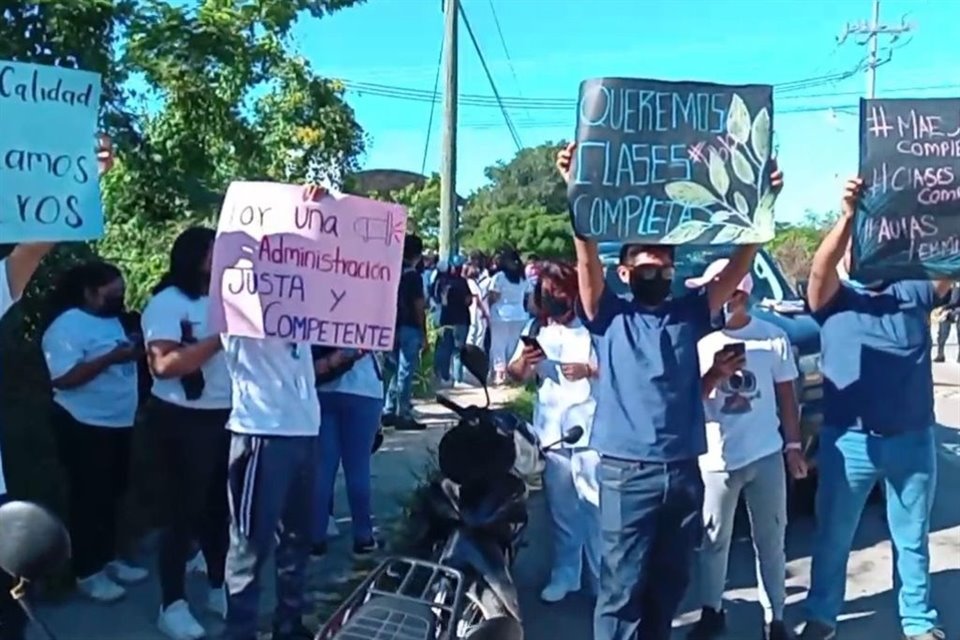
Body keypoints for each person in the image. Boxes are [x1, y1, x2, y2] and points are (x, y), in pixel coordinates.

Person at [555, 142, 784, 640]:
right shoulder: (608, 316)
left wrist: (762, 208)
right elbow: (586, 261)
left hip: (683, 473)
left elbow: (736, 270)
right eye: (646, 268)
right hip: (626, 474)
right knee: (621, 592)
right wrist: (576, 191)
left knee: (668, 585)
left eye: (663, 268)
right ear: (624, 273)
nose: (656, 274)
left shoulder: (689, 314)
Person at [799, 178, 951, 640]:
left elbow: (950, 265)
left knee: (912, 539)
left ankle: (918, 622)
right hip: (849, 444)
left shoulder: (914, 290)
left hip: (913, 440)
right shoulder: (833, 300)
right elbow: (819, 270)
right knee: (833, 538)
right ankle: (822, 618)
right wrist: (848, 216)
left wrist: (947, 210)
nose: (861, 256)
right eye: (854, 249)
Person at [684, 260, 807, 640]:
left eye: (725, 291)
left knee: (771, 539)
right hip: (717, 459)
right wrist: (715, 373)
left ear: (743, 294)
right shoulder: (699, 341)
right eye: (710, 290)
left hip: (765, 453)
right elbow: (689, 401)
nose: (718, 298)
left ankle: (775, 618)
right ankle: (712, 610)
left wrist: (793, 446)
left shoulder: (772, 338)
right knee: (714, 539)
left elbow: (787, 396)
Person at [141, 227, 231, 640]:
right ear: (193, 256)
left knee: (219, 509)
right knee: (182, 512)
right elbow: (163, 365)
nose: (221, 257)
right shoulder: (168, 303)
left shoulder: (227, 298)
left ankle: (217, 584)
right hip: (181, 419)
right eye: (213, 250)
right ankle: (172, 603)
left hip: (225, 414)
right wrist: (218, 340)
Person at [41, 261, 149, 603]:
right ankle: (87, 571)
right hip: (84, 423)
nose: (119, 298)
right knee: (89, 498)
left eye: (121, 292)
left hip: (118, 421)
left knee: (113, 494)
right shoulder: (66, 326)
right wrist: (110, 359)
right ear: (88, 293)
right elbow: (64, 378)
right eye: (111, 293)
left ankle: (108, 558)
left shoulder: (113, 319)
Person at [506, 260, 601, 604]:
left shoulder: (594, 328)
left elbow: (616, 370)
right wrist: (525, 362)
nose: (552, 297)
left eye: (558, 290)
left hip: (589, 429)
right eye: (546, 291)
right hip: (551, 431)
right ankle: (566, 574)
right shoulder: (538, 329)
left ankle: (601, 580)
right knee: (562, 510)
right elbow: (515, 374)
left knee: (594, 506)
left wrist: (589, 370)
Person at [311, 348, 384, 557]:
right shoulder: (373, 322)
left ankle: (316, 537)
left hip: (323, 387)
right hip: (364, 389)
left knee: (323, 468)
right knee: (358, 468)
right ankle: (363, 536)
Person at [382, 234, 427, 431]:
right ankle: (403, 412)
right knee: (406, 371)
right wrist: (423, 332)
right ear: (417, 254)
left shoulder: (392, 273)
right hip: (410, 326)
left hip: (391, 326)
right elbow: (419, 306)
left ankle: (388, 409)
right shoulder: (414, 276)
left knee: (392, 369)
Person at [486, 247, 532, 384]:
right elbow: (528, 296)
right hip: (519, 314)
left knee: (498, 344)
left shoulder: (499, 277)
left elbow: (493, 296)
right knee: (513, 345)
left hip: (500, 314)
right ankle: (512, 374)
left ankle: (499, 373)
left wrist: (488, 308)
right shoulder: (523, 278)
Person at [433, 255, 472, 387]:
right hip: (461, 319)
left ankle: (444, 377)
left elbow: (437, 299)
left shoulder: (442, 281)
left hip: (446, 319)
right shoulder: (462, 282)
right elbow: (468, 301)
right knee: (458, 350)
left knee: (446, 348)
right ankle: (458, 379)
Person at [464, 261, 491, 358]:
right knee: (477, 330)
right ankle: (474, 351)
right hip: (475, 309)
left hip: (476, 308)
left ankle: (476, 350)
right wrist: (483, 310)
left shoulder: (473, 281)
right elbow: (476, 297)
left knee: (479, 330)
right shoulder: (470, 282)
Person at [933, 283, 959, 363]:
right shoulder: (948, 286)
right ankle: (940, 354)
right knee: (942, 334)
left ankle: (941, 354)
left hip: (955, 310)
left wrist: (944, 308)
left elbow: (955, 301)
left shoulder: (957, 287)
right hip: (946, 311)